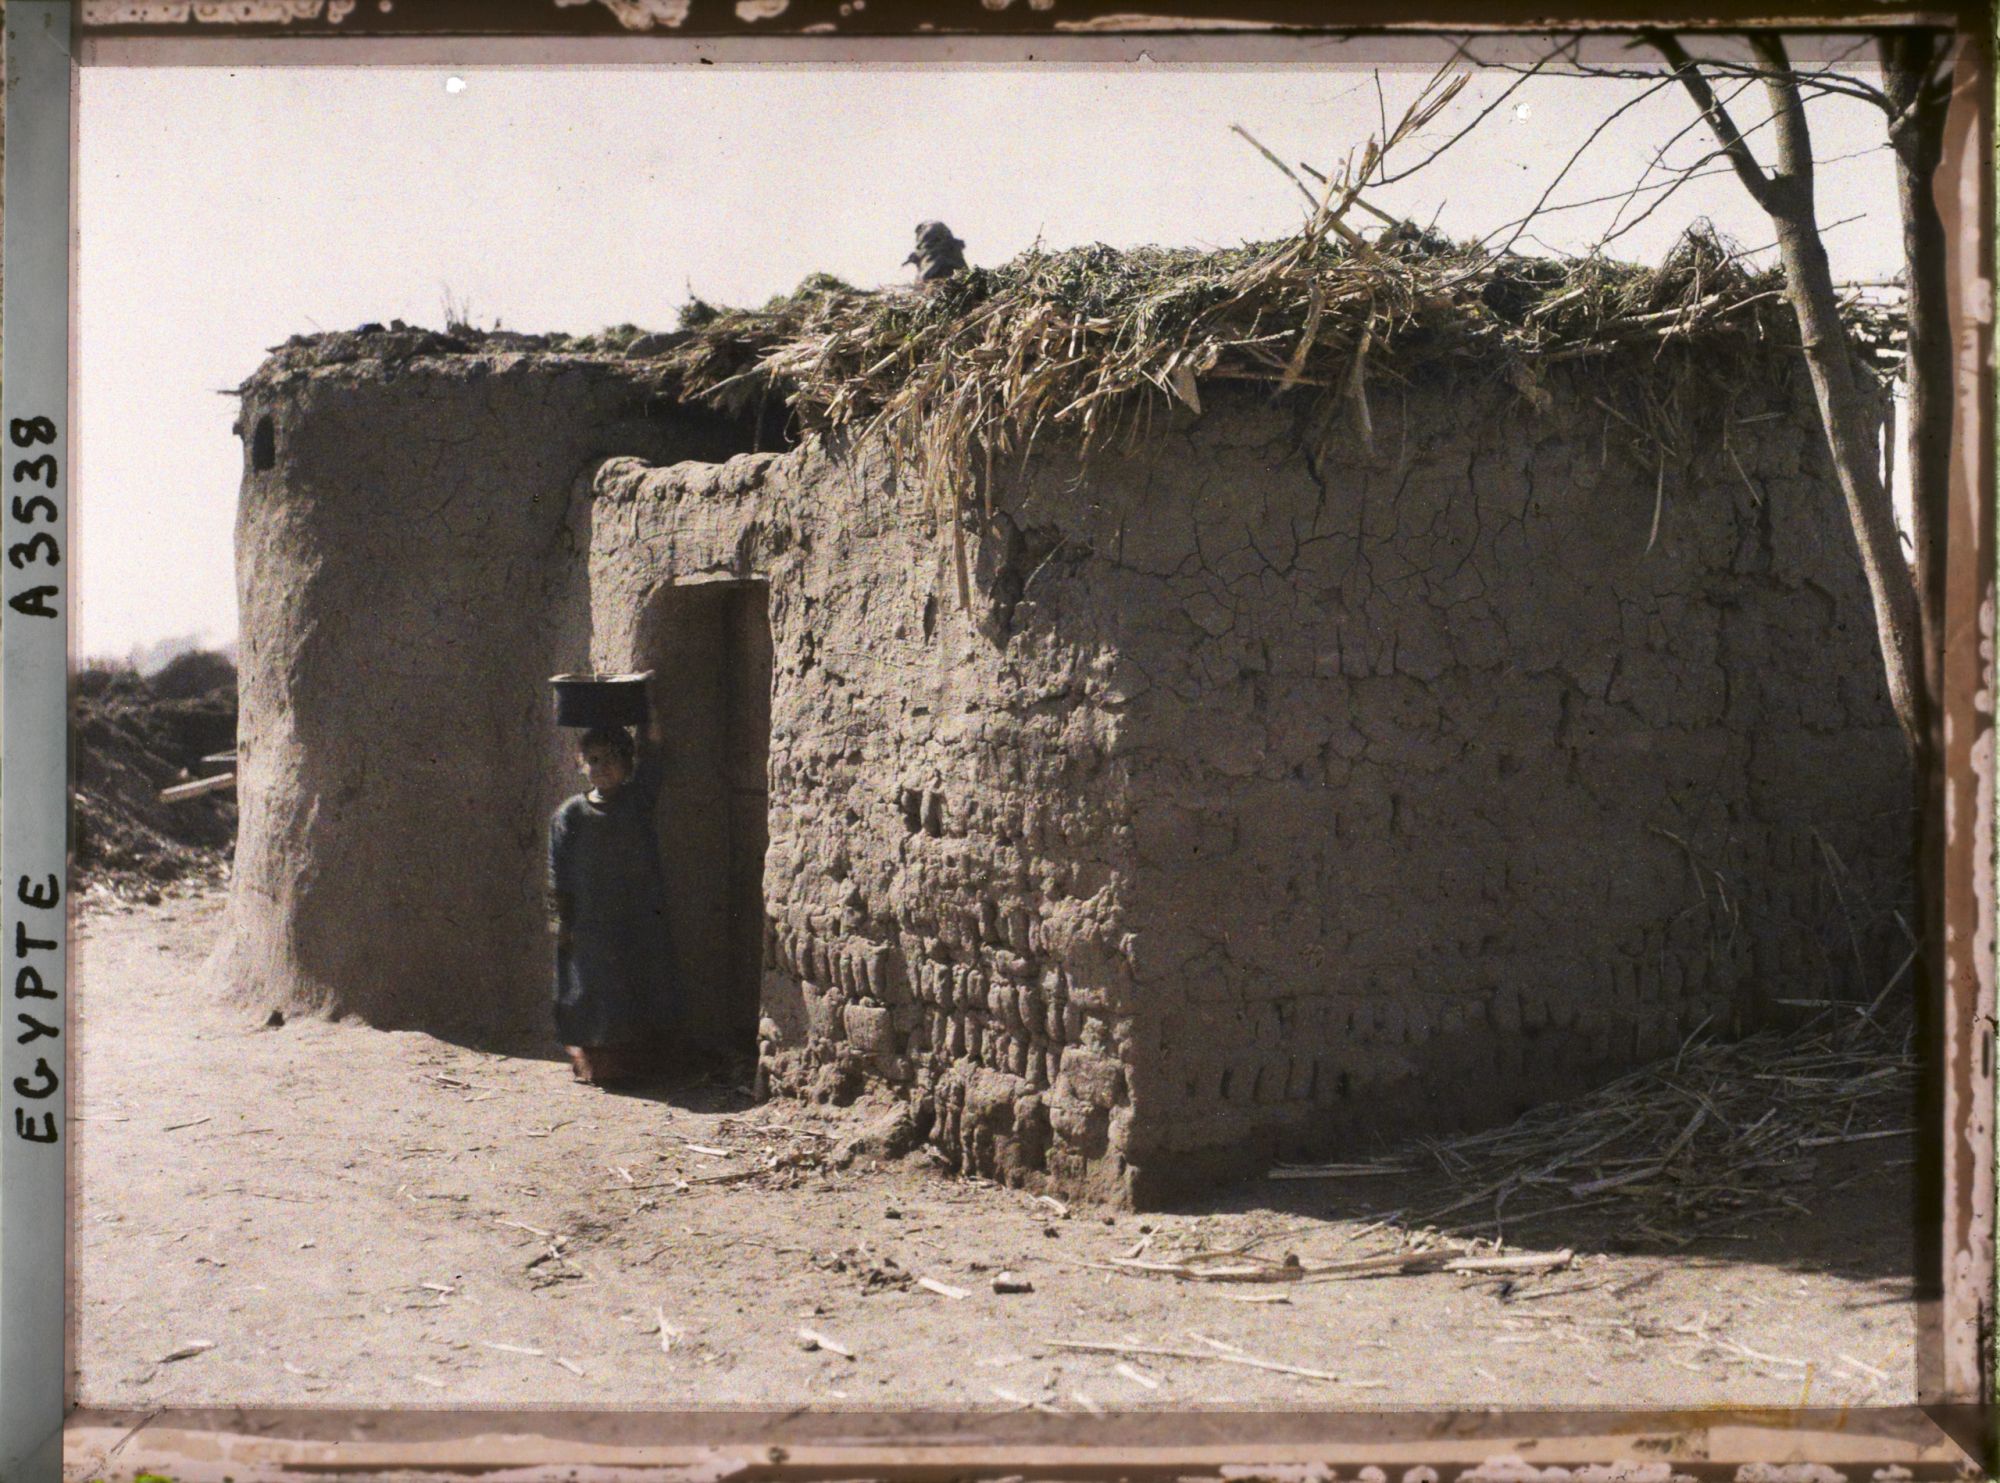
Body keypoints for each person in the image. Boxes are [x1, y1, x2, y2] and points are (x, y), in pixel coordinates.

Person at [547, 718, 675, 1085]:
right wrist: (559, 922)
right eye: (594, 759)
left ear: (629, 764)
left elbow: (655, 757)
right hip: (588, 923)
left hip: (634, 919)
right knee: (588, 990)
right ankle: (591, 1062)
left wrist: (650, 708)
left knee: (633, 987)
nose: (603, 767)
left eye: (614, 758)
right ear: (580, 764)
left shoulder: (637, 801)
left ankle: (631, 1064)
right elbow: (556, 870)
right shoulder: (570, 814)